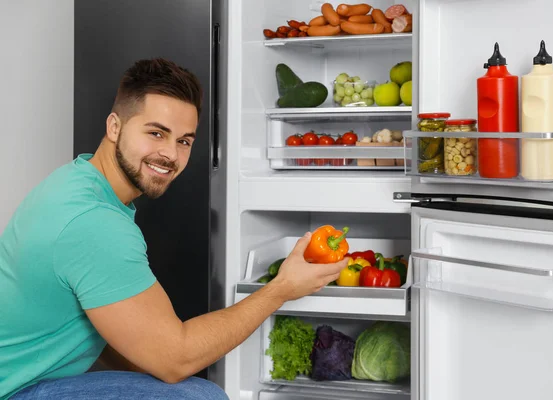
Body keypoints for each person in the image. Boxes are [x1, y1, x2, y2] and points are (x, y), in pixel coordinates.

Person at [0, 58, 349, 399]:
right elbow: (176, 358)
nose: (170, 154)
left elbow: (115, 330)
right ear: (114, 127)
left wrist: (154, 361)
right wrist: (281, 289)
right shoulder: (94, 223)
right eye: (156, 133)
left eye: (184, 141)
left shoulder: (78, 182)